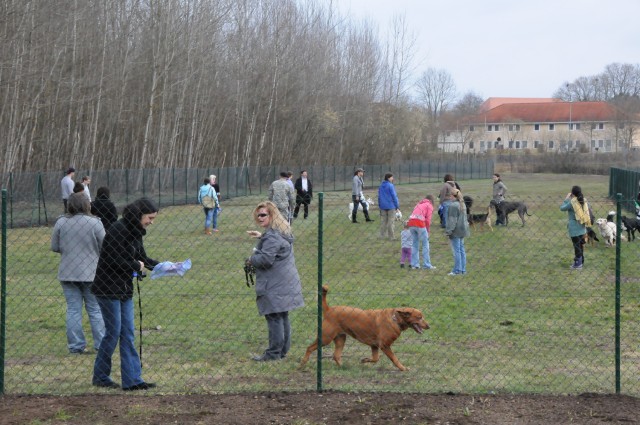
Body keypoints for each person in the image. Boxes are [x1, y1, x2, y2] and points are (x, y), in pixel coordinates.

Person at [91, 198, 160, 390]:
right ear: (140, 214)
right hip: (107, 289)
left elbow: (142, 258)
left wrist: (164, 266)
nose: (151, 222)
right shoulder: (117, 230)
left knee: (128, 333)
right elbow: (113, 260)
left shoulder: (136, 232)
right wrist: (134, 266)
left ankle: (132, 381)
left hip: (124, 289)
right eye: (150, 218)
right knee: (113, 334)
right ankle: (101, 376)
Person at [245, 201, 305, 361]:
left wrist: (251, 260)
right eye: (258, 215)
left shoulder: (272, 236)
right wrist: (262, 236)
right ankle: (282, 351)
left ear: (272, 215)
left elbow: (265, 259)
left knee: (274, 316)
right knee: (281, 315)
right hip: (285, 282)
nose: (260, 218)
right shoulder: (280, 232)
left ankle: (273, 354)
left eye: (263, 214)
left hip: (275, 284)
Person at [51, 192, 105, 354]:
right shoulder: (95, 223)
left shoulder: (61, 222)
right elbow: (105, 245)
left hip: (68, 272)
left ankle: (76, 346)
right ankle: (101, 345)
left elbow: (55, 247)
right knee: (95, 309)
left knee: (73, 310)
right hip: (91, 273)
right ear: (87, 204)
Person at [560, 185, 590, 270]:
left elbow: (562, 208)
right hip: (583, 227)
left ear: (572, 193)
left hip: (574, 227)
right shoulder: (584, 200)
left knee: (576, 246)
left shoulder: (572, 202)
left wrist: (566, 199)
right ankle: (581, 261)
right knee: (580, 245)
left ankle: (578, 264)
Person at [407, 194, 436, 270]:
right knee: (425, 244)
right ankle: (427, 264)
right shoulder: (429, 205)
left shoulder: (419, 204)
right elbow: (428, 220)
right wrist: (427, 230)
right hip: (420, 223)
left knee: (414, 244)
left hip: (411, 223)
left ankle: (415, 264)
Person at [445, 188, 470, 276]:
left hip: (456, 231)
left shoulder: (453, 206)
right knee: (461, 250)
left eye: (450, 196)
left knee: (456, 251)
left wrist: (448, 231)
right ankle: (463, 269)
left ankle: (457, 270)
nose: (449, 197)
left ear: (452, 196)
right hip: (463, 229)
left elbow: (452, 220)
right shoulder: (462, 204)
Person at [378, 173, 400, 239]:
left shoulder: (381, 186)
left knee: (384, 221)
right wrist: (397, 206)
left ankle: (382, 235)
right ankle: (391, 236)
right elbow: (394, 196)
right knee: (391, 222)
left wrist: (380, 205)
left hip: (383, 206)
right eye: (392, 177)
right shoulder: (391, 186)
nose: (393, 178)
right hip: (391, 206)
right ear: (388, 178)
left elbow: (379, 197)